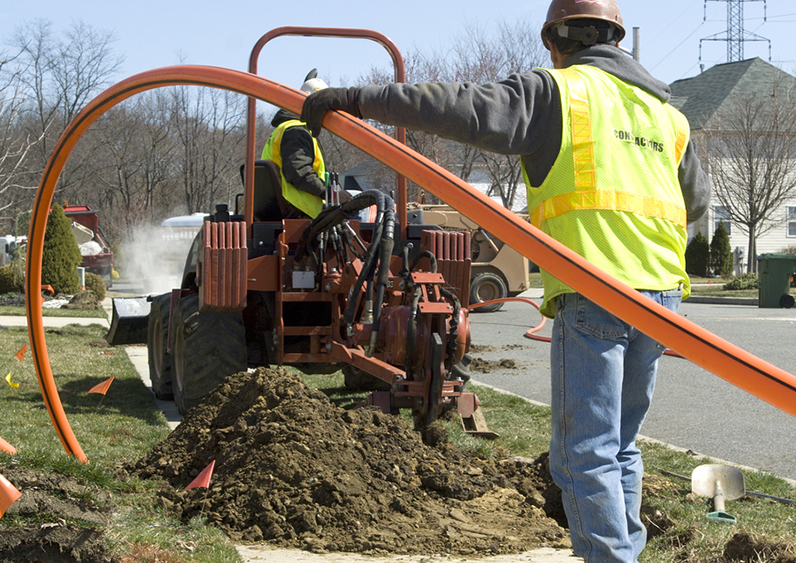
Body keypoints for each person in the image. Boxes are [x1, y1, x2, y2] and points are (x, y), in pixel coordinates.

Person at [301, 1, 709, 560]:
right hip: (661, 297)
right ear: (617, 38)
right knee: (619, 446)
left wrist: (355, 100)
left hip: (596, 288)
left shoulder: (559, 92)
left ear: (554, 43)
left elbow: (459, 106)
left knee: (582, 454)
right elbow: (698, 206)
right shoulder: (669, 116)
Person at [262, 69, 330, 219]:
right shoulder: (295, 132)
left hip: (288, 209)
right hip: (298, 210)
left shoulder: (284, 129)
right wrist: (330, 193)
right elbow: (300, 173)